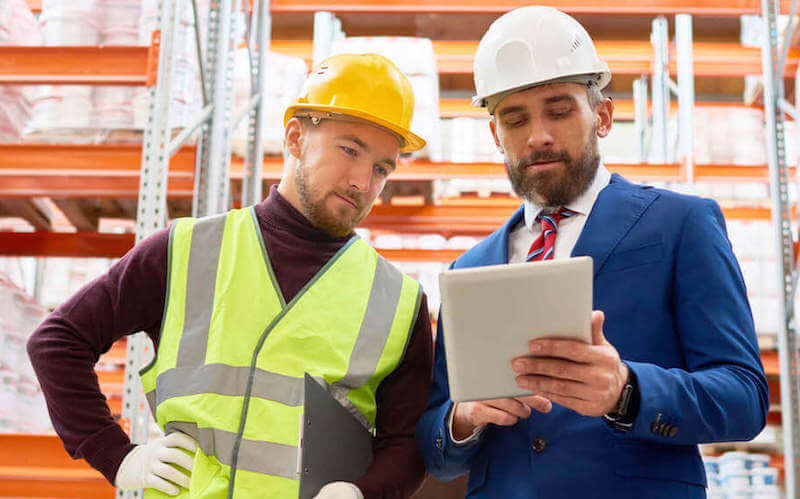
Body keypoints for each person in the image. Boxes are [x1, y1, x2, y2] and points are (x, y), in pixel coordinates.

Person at [27, 53, 433, 499]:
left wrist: (363, 493)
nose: (361, 181)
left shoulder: (398, 300)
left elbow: (405, 445)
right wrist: (118, 457)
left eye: (381, 168)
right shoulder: (187, 250)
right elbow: (57, 341)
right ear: (296, 138)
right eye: (349, 149)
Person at [416, 6, 769, 498]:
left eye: (559, 111)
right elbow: (435, 444)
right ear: (497, 136)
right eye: (515, 120)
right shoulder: (469, 269)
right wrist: (463, 418)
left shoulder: (681, 225)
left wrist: (626, 391)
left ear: (602, 115)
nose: (538, 135)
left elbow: (744, 398)